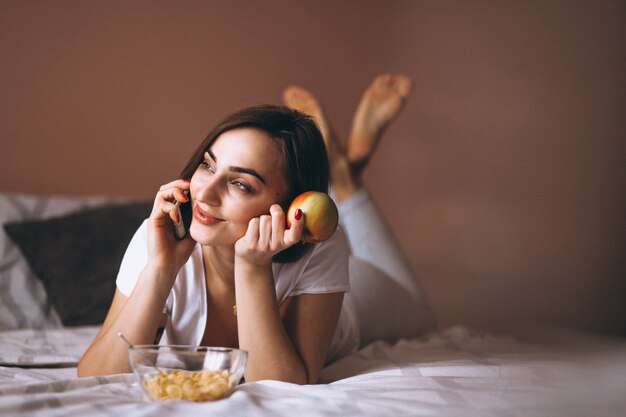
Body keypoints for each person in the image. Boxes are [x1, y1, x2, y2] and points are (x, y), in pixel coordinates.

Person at [78, 74, 434, 384]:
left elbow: (285, 385)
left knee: (421, 311)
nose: (205, 193)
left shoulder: (320, 246)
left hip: (361, 300)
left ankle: (343, 178)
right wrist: (160, 269)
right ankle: (341, 171)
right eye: (207, 165)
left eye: (240, 184)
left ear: (292, 204)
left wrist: (252, 267)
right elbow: (96, 374)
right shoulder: (161, 236)